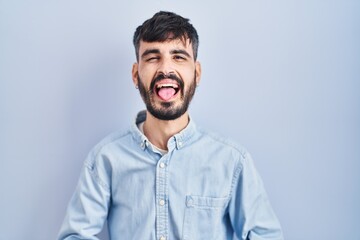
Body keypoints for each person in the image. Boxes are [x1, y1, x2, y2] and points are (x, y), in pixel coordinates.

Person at [58, 11, 283, 240]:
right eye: (153, 57)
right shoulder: (105, 159)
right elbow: (74, 236)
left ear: (196, 73)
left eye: (178, 57)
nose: (166, 69)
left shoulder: (232, 161)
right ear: (136, 75)